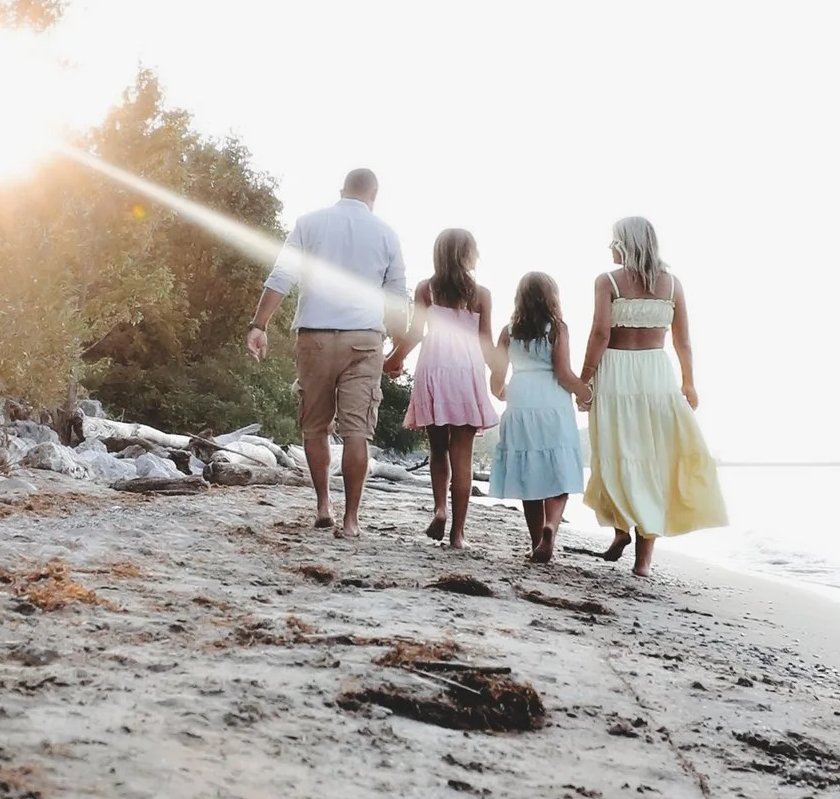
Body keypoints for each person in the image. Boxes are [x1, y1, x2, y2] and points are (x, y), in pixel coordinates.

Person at [245, 166, 407, 535]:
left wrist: (259, 325)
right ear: (374, 195)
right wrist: (398, 349)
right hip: (364, 342)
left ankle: (323, 505)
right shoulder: (387, 234)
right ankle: (351, 520)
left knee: (314, 427)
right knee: (357, 432)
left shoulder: (309, 222)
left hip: (315, 338)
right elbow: (397, 299)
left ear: (341, 190)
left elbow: (282, 275)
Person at [577, 213, 726, 578]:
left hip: (615, 374)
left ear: (625, 244)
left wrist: (584, 381)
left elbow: (599, 336)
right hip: (656, 375)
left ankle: (621, 531)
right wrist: (688, 382)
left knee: (616, 454)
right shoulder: (672, 284)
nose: (610, 247)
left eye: (614, 240)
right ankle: (640, 560)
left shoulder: (607, 281)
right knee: (652, 461)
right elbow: (683, 340)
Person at [402, 227, 498, 547]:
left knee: (438, 449)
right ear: (466, 255)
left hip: (433, 368)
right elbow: (486, 343)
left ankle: (440, 508)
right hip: (466, 372)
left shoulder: (426, 290)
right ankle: (458, 535)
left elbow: (416, 334)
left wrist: (393, 359)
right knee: (463, 458)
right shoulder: (480, 294)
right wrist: (500, 375)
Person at [488, 269, 585, 563]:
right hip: (553, 402)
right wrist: (587, 394)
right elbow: (563, 373)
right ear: (551, 298)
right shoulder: (557, 329)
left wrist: (504, 393)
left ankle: (536, 542)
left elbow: (496, 380)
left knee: (528, 476)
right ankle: (550, 527)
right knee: (560, 474)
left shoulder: (508, 332)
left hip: (521, 399)